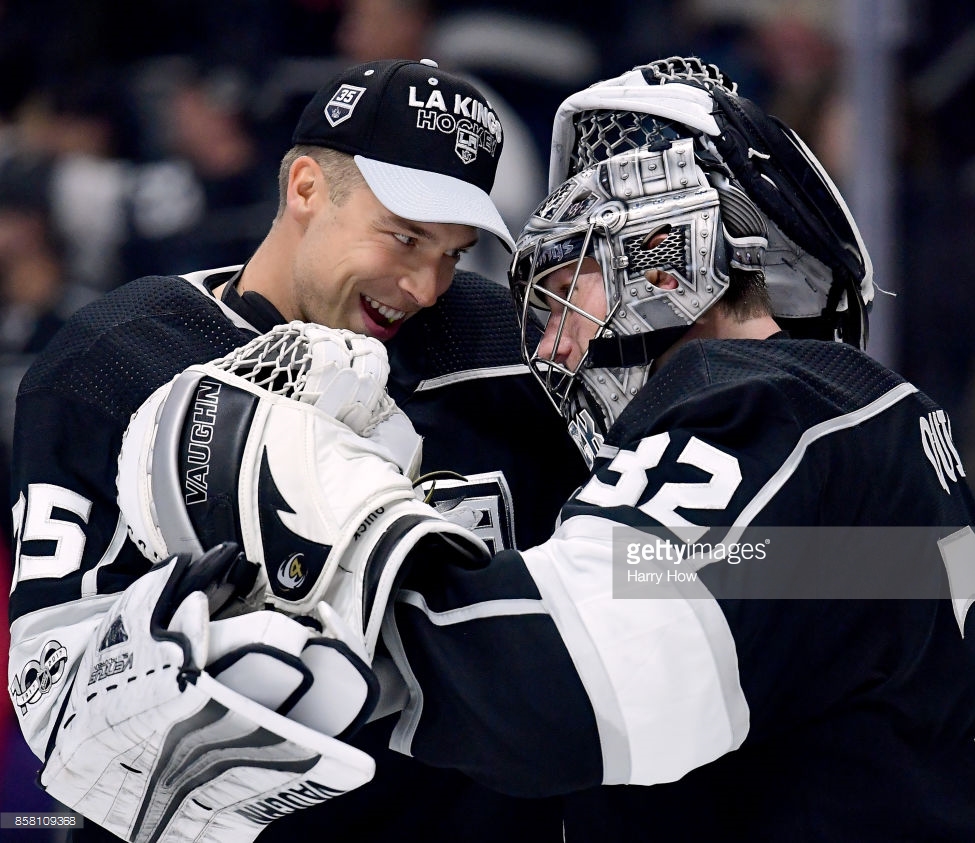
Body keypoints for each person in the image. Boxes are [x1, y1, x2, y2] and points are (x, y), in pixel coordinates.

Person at [121, 55, 975, 840]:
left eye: (566, 285)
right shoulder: (850, 427)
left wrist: (332, 512)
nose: (550, 346)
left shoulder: (763, 404)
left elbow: (566, 693)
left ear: (669, 255)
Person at [6, 58, 583, 841]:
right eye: (405, 237)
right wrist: (174, 666)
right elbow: (50, 691)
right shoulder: (115, 361)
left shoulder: (506, 344)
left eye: (450, 252)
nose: (424, 285)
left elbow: (684, 557)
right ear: (306, 188)